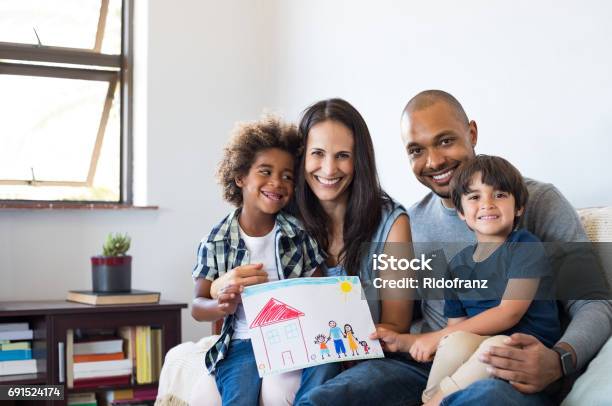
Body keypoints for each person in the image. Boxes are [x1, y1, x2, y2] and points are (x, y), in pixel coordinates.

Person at [397, 90, 612, 405]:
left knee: (485, 395)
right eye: (417, 150)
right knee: (350, 389)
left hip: (517, 366)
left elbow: (594, 304)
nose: (434, 161)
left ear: (471, 133)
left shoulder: (536, 205)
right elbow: (408, 312)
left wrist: (558, 360)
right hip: (439, 360)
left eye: (445, 141)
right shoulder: (409, 223)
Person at [376, 155, 561, 406]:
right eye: (475, 197)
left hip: (524, 354)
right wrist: (408, 342)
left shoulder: (525, 247)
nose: (487, 204)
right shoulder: (457, 266)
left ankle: (436, 402)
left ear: (519, 207)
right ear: (461, 212)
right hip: (479, 355)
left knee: (493, 346)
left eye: (499, 195)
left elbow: (509, 313)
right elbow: (456, 331)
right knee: (455, 342)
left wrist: (439, 335)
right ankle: (430, 399)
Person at [190, 116, 335, 406]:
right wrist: (221, 305)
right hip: (243, 343)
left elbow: (322, 288)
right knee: (240, 397)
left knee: (326, 362)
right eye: (265, 172)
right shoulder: (216, 240)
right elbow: (197, 305)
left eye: (287, 176)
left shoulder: (298, 234)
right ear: (241, 176)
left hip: (295, 337)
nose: (277, 183)